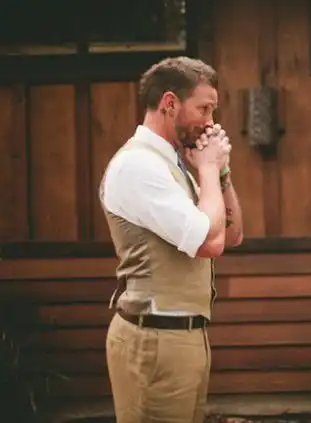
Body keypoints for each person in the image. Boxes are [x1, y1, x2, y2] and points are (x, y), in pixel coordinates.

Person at [98, 56, 243, 423]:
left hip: (183, 338)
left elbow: (233, 233)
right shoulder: (139, 166)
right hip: (155, 339)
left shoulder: (174, 165)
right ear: (169, 103)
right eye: (204, 108)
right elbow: (208, 242)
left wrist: (221, 173)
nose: (210, 121)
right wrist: (207, 167)